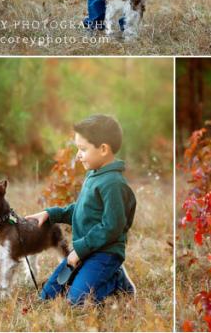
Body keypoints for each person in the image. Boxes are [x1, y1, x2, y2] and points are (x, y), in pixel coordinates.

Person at [28, 114, 137, 304]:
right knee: (47, 295)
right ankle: (106, 276)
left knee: (77, 302)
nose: (78, 155)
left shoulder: (113, 183)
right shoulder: (94, 175)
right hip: (86, 250)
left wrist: (78, 251)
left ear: (103, 149)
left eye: (82, 149)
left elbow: (112, 226)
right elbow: (80, 211)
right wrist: (50, 214)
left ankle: (117, 282)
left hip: (105, 253)